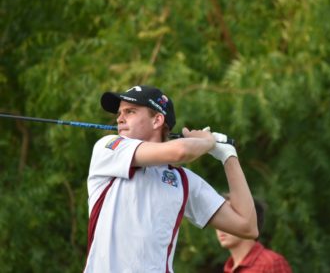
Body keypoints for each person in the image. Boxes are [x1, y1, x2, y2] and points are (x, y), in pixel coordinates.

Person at [83, 85, 258, 273]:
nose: (120, 118)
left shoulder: (183, 181)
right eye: (119, 113)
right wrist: (208, 141)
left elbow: (247, 227)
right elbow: (180, 152)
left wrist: (228, 157)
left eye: (130, 111)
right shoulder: (109, 147)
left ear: (157, 120)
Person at [216, 195, 292, 273]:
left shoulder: (271, 263)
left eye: (229, 219)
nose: (221, 227)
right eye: (219, 220)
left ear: (249, 221)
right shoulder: (228, 269)